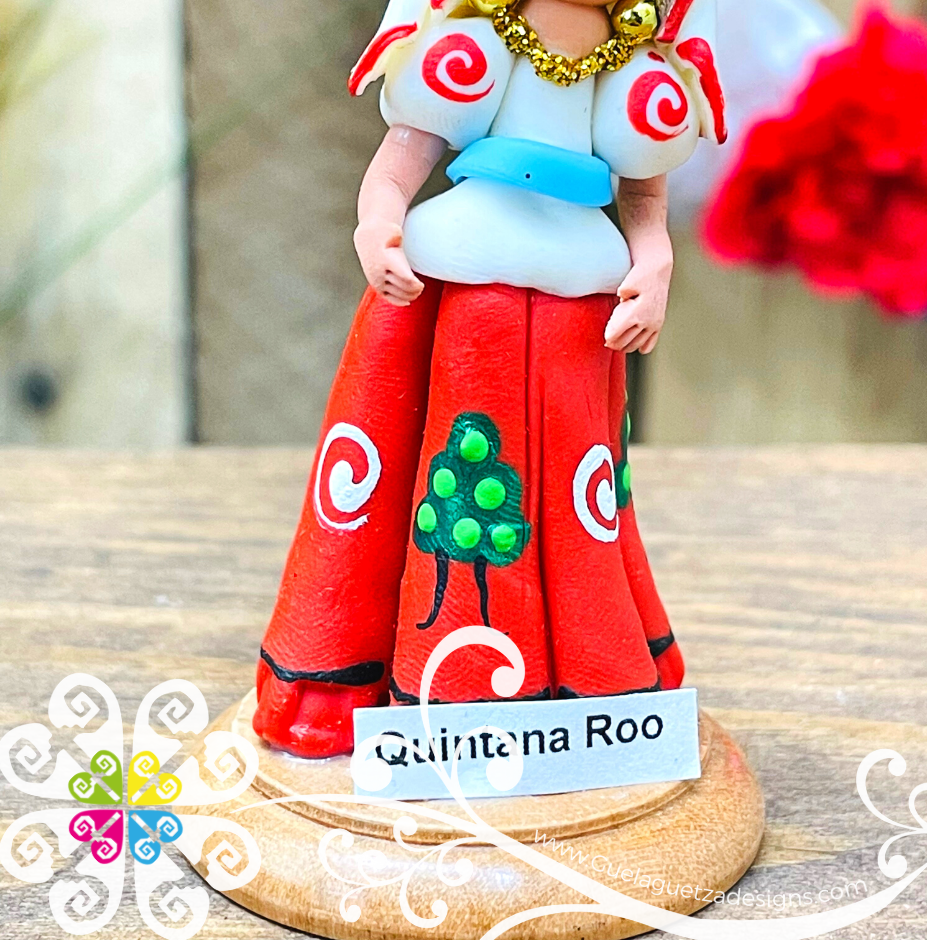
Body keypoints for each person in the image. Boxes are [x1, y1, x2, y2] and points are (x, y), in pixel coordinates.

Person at [254, 0, 726, 758]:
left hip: (578, 305)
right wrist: (377, 227)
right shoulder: (475, 45)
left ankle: (586, 681)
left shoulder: (635, 72)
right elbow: (396, 165)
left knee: (575, 496)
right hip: (460, 288)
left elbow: (644, 199)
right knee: (416, 466)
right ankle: (390, 681)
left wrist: (654, 269)